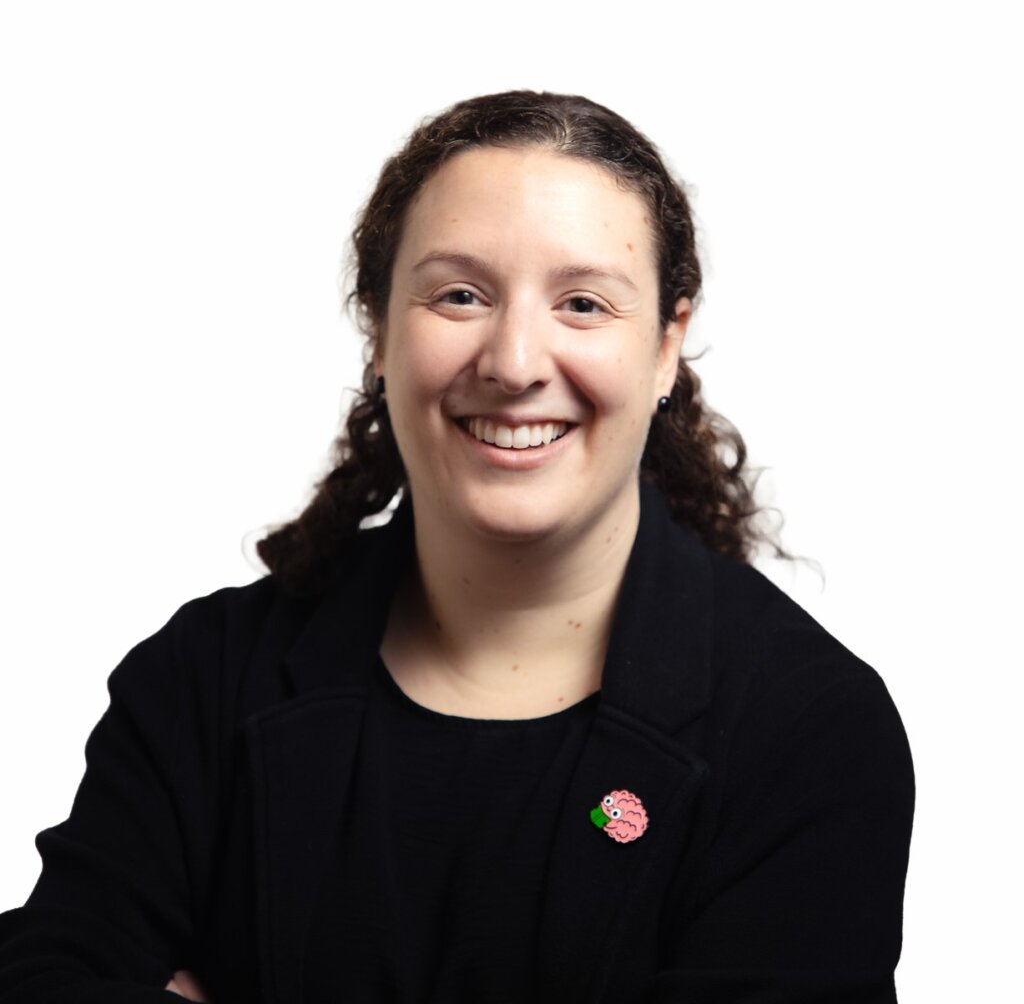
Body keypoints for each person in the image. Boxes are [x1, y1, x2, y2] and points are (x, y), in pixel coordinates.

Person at [0, 90, 915, 1002]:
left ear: (667, 345)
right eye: (460, 295)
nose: (514, 361)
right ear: (379, 331)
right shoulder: (204, 680)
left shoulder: (811, 732)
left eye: (584, 303)